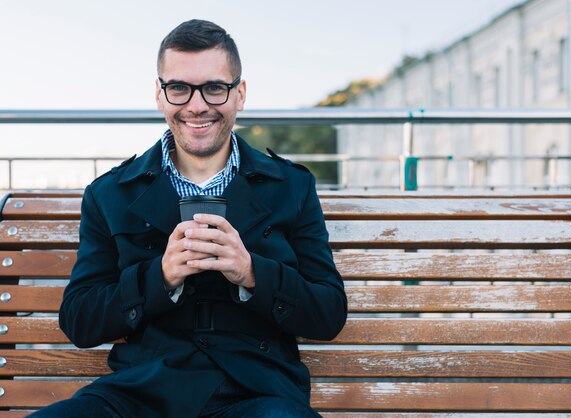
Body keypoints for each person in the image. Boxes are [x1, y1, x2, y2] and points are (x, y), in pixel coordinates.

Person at [30, 19, 347, 418]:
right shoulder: (110, 193)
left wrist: (252, 272)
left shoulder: (291, 186)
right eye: (179, 87)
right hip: (142, 392)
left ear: (240, 94)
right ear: (160, 95)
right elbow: (80, 321)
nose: (197, 105)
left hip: (256, 391)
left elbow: (328, 312)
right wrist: (159, 277)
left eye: (214, 87)